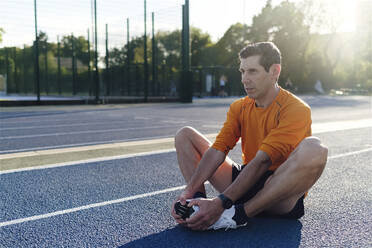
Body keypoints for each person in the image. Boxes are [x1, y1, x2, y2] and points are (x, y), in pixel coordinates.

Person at [171, 42, 328, 231]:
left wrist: (221, 203)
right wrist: (188, 192)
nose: (245, 79)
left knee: (315, 148)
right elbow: (218, 150)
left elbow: (263, 161)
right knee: (185, 135)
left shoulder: (296, 109)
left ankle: (237, 215)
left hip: (277, 192)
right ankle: (196, 208)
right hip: (244, 183)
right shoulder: (239, 107)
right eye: (242, 71)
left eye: (252, 71)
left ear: (274, 71)